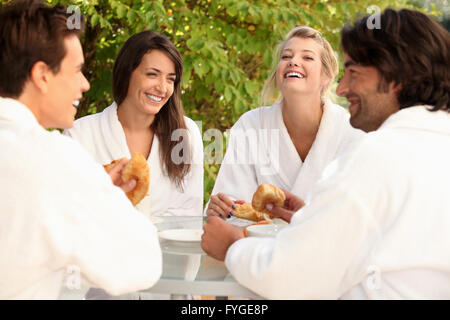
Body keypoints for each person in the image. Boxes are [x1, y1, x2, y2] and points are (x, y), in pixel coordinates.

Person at [201, 8, 450, 299]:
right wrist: (311, 218)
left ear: (398, 76)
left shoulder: (375, 153)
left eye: (354, 74)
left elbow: (292, 277)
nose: (342, 89)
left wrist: (233, 245)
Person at [0, 0, 162, 299]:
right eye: (76, 70)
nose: (85, 84)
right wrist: (104, 194)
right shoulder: (57, 159)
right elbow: (141, 264)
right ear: (42, 75)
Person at [205, 26, 364, 219]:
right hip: (256, 244)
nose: (293, 62)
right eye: (286, 56)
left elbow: (357, 214)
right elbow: (233, 203)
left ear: (326, 75)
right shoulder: (251, 125)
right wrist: (221, 208)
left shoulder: (351, 131)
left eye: (307, 57)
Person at [64, 30, 203, 219]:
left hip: (168, 248)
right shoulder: (80, 134)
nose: (162, 88)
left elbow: (190, 215)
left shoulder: (186, 133)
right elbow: (68, 212)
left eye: (170, 79)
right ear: (127, 72)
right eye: (152, 75)